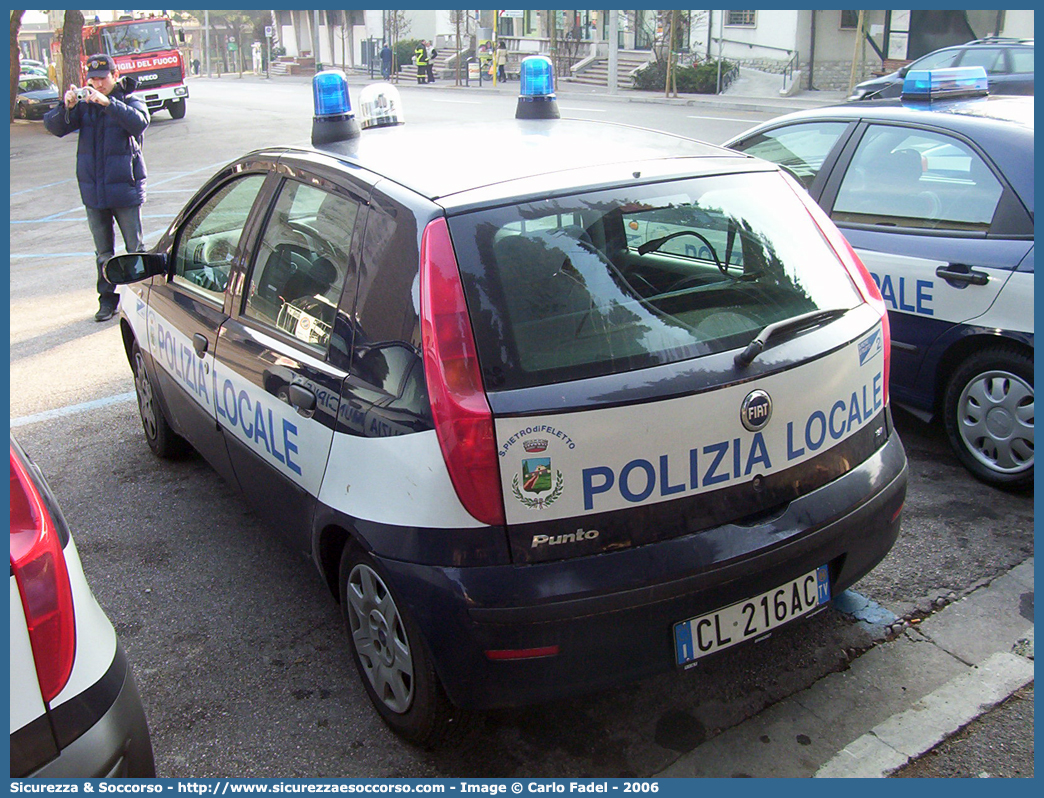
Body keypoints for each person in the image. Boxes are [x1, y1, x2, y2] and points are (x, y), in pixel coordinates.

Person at [44, 54, 149, 322]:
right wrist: (65, 107)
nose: (97, 84)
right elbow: (55, 127)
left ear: (115, 75)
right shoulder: (84, 102)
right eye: (93, 79)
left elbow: (140, 121)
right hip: (94, 190)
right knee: (103, 252)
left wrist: (109, 103)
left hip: (124, 187)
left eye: (102, 78)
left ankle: (144, 297)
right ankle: (107, 299)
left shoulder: (127, 97)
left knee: (134, 246)